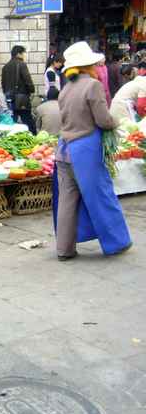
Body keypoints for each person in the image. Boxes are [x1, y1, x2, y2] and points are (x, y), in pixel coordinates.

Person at [54, 41, 132, 261]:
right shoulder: (92, 86)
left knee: (67, 200)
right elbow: (103, 120)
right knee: (102, 196)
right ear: (89, 65)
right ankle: (117, 243)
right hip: (85, 150)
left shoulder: (66, 88)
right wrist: (117, 121)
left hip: (63, 150)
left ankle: (64, 250)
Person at [1, 45, 37, 134]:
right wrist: (32, 90)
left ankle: (11, 138)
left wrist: (7, 94)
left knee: (12, 121)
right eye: (23, 53)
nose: (24, 56)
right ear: (18, 54)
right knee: (28, 121)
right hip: (21, 98)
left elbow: (3, 84)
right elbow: (27, 79)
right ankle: (34, 138)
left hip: (10, 99)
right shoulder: (21, 64)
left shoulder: (5, 67)